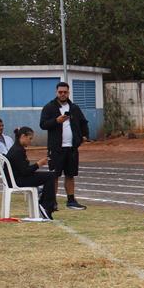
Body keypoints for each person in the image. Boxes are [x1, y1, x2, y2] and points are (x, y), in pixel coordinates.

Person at [40, 81, 90, 211]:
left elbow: (83, 122)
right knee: (54, 175)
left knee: (70, 175)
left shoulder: (74, 108)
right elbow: (43, 124)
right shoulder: (49, 107)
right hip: (56, 148)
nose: (62, 94)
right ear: (56, 92)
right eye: (60, 92)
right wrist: (56, 121)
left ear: (68, 93)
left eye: (65, 92)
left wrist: (84, 136)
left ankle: (71, 200)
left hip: (71, 148)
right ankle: (52, 201)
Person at [4, 127, 56, 220]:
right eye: (30, 138)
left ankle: (45, 204)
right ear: (23, 136)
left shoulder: (17, 148)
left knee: (49, 175)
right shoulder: (18, 150)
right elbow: (25, 172)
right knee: (50, 176)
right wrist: (38, 164)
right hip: (18, 181)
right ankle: (46, 206)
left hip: (16, 178)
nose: (30, 141)